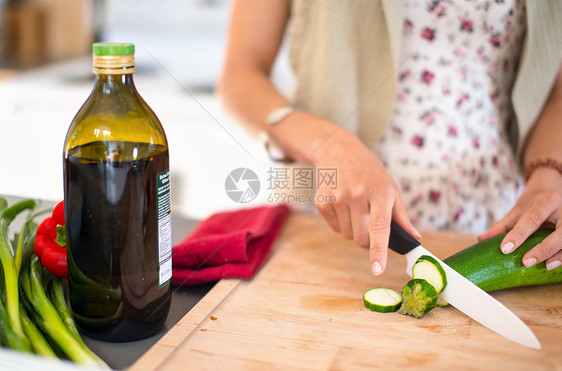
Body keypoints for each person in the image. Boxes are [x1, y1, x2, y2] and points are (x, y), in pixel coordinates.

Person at [217, 0, 562, 276]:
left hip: (491, 212)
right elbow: (240, 76)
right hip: (332, 207)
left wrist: (548, 176)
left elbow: (556, 90)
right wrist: (330, 142)